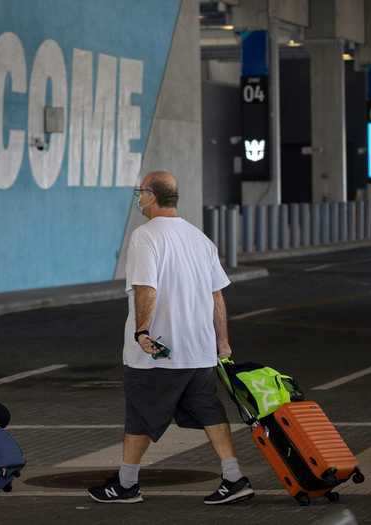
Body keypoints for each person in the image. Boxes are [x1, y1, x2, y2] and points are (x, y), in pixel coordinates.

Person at [88, 171, 254, 505]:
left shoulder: (145, 236)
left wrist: (142, 330)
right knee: (210, 413)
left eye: (140, 192)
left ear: (151, 195)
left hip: (160, 352)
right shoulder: (199, 238)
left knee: (139, 416)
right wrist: (222, 344)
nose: (138, 197)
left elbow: (145, 287)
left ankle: (127, 484)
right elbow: (216, 297)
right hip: (200, 351)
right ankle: (234, 477)